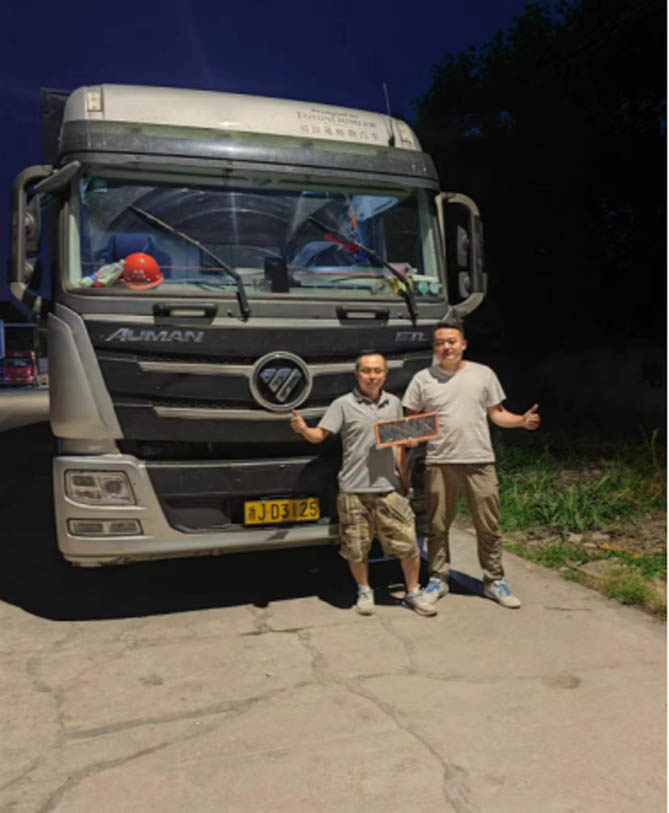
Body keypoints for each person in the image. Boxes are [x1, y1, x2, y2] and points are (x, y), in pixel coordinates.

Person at [402, 320, 540, 609]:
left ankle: (494, 580)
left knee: (488, 525)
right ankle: (438, 578)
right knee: (437, 526)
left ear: (463, 344)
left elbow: (497, 414)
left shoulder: (483, 374)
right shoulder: (422, 379)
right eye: (440, 342)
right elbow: (411, 422)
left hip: (480, 461)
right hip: (440, 462)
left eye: (452, 341)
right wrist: (410, 438)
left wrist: (521, 421)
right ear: (434, 348)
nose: (447, 347)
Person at [290, 352, 436, 617]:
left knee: (408, 545)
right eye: (367, 371)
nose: (372, 376)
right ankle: (364, 590)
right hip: (353, 490)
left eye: (378, 371)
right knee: (356, 549)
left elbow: (399, 445)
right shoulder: (342, 405)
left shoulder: (394, 403)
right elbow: (319, 436)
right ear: (357, 374)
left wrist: (404, 473)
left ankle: (413, 592)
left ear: (385, 375)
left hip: (389, 489)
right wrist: (303, 429)